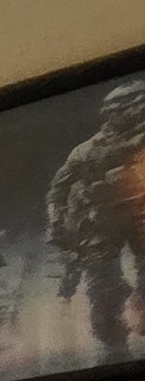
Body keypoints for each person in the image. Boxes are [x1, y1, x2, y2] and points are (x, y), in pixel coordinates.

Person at [47, 79, 145, 352]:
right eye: (127, 108)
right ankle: (112, 346)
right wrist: (57, 224)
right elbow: (57, 189)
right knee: (103, 290)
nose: (134, 113)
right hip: (102, 222)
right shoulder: (86, 151)